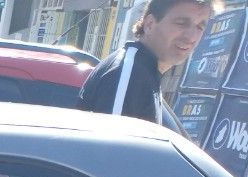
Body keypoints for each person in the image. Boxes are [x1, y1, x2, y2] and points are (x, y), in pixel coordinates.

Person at [78, 0, 212, 123]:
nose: (191, 36)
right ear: (149, 24)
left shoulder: (143, 71)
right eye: (181, 23)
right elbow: (112, 148)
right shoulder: (129, 75)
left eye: (200, 27)